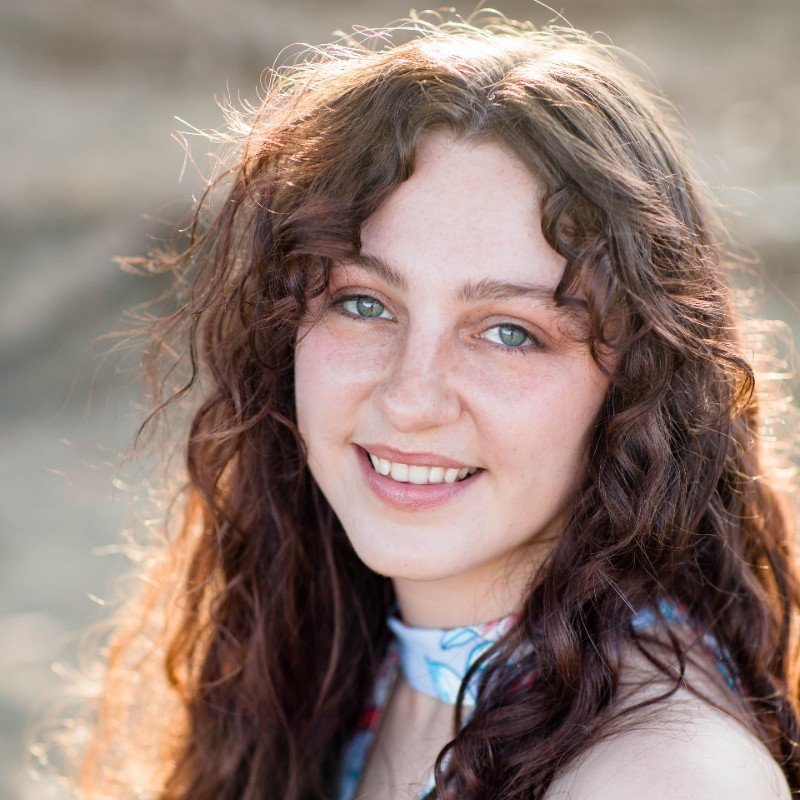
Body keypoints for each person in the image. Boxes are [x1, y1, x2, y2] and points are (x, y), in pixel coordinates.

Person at [62, 10, 800, 800]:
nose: (409, 399)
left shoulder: (664, 778)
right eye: (365, 303)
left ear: (642, 384)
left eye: (510, 332)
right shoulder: (342, 655)